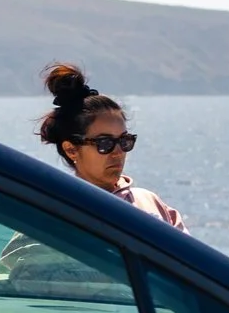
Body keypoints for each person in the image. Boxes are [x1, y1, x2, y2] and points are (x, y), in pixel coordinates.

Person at [36, 62, 182, 226]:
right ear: (71, 150)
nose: (118, 152)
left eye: (124, 141)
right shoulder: (56, 216)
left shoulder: (150, 203)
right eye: (104, 143)